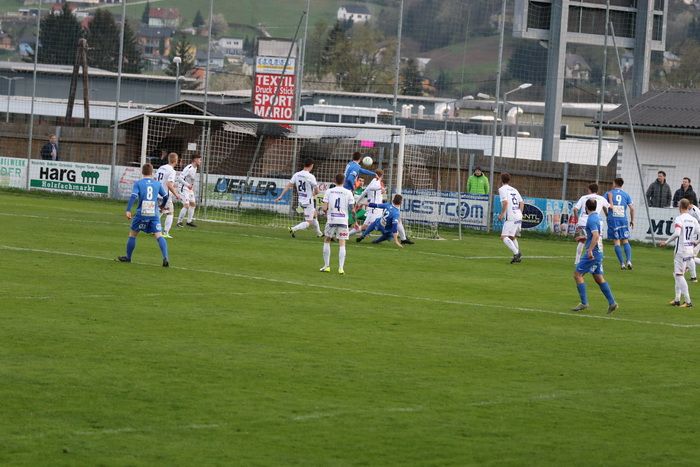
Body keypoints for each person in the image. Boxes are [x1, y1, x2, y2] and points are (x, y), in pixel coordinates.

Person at [116, 163, 170, 267]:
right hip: (154, 213)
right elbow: (165, 196)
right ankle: (165, 257)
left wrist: (128, 210)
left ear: (142, 172)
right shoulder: (157, 184)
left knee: (133, 234)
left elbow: (133, 196)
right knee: (159, 235)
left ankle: (128, 257)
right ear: (152, 172)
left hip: (142, 213)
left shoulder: (138, 183)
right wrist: (162, 206)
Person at [572, 198, 618, 313]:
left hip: (594, 252)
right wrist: (584, 238)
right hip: (599, 251)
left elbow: (596, 236)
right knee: (598, 277)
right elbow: (595, 235)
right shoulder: (597, 217)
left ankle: (584, 303)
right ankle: (612, 303)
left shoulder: (591, 219)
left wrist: (590, 250)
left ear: (586, 208)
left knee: (577, 274)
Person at [659, 198, 700, 307]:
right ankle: (677, 299)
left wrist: (666, 242)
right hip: (689, 250)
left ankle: (688, 301)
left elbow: (677, 233)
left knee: (678, 275)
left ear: (680, 206)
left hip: (681, 251)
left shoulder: (679, 218)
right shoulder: (693, 219)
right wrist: (696, 242)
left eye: (678, 205)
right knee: (677, 274)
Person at [275, 158, 323, 238]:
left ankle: (319, 233)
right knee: (308, 222)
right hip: (308, 202)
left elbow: (288, 186)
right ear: (311, 166)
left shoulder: (297, 174)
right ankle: (293, 228)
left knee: (314, 215)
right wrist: (313, 194)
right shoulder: (311, 176)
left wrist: (281, 196)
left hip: (301, 201)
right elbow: (317, 191)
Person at [320, 173, 355, 274]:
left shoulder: (329, 191)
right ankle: (341, 268)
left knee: (327, 240)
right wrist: (355, 221)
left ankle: (327, 266)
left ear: (334, 181)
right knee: (342, 243)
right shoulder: (348, 192)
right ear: (344, 181)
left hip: (332, 219)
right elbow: (352, 209)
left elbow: (324, 208)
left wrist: (325, 211)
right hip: (343, 220)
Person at [572, 183, 609, 265]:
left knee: (582, 241)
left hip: (582, 221)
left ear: (589, 190)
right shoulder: (601, 198)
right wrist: (607, 215)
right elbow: (608, 207)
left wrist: (577, 220)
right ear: (597, 190)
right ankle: (598, 260)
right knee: (598, 240)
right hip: (594, 221)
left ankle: (577, 261)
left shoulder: (583, 197)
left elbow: (575, 209)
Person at [605, 178, 635, 270]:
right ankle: (629, 261)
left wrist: (606, 214)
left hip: (613, 219)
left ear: (614, 184)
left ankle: (622, 264)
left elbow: (603, 205)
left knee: (617, 242)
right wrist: (632, 220)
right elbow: (632, 209)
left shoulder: (609, 193)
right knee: (625, 240)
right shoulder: (626, 194)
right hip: (623, 219)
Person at [497, 172, 523, 264]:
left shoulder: (502, 189)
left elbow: (505, 203)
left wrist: (502, 214)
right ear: (509, 180)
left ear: (501, 180)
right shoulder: (514, 189)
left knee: (504, 237)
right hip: (518, 215)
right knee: (512, 236)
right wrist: (519, 213)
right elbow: (522, 202)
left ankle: (517, 253)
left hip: (511, 216)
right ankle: (518, 256)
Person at [350, 169, 384, 237]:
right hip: (375, 209)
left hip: (375, 209)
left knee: (367, 226)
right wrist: (380, 188)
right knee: (366, 227)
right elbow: (371, 188)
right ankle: (346, 234)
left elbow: (365, 191)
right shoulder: (376, 182)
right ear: (382, 176)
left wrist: (357, 201)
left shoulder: (374, 181)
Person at [155, 152, 181, 239]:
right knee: (170, 213)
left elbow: (155, 179)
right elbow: (169, 184)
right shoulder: (172, 171)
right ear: (176, 161)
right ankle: (165, 232)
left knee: (160, 211)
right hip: (165, 195)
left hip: (157, 194)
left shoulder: (161, 168)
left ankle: (154, 229)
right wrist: (176, 194)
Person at [176, 154, 202, 228]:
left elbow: (191, 179)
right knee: (186, 205)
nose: (200, 161)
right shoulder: (188, 168)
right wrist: (187, 185)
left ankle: (189, 221)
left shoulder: (195, 168)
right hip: (183, 188)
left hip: (189, 188)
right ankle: (179, 222)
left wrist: (192, 186)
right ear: (195, 160)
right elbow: (179, 178)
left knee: (193, 204)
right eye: (199, 159)